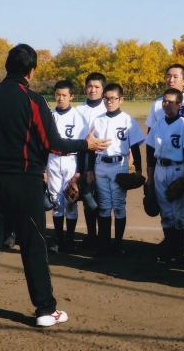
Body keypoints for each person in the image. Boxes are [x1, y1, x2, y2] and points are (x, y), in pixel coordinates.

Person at [0, 44, 110, 327]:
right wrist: (85, 144)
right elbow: (52, 143)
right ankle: (44, 309)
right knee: (33, 247)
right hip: (25, 182)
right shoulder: (33, 100)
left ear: (7, 66)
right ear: (30, 71)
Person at [145, 64, 184, 249]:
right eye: (168, 76)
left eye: (176, 76)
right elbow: (151, 141)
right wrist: (150, 176)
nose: (171, 79)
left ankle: (180, 242)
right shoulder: (157, 105)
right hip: (162, 164)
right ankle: (170, 242)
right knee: (165, 209)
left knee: (181, 206)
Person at [87, 83, 145, 257]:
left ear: (121, 99)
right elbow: (91, 147)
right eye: (106, 98)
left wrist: (138, 171)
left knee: (119, 206)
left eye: (113, 98)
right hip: (100, 165)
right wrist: (90, 170)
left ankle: (118, 245)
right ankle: (104, 245)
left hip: (119, 165)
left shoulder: (128, 120)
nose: (109, 102)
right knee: (104, 207)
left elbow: (135, 147)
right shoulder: (98, 120)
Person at [145, 88, 184, 262]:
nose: (166, 104)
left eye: (170, 102)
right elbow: (150, 152)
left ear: (179, 105)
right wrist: (150, 178)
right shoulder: (158, 125)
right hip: (160, 169)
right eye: (164, 101)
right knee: (166, 212)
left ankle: (178, 249)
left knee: (180, 214)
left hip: (178, 169)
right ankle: (170, 247)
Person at [46, 80, 88, 254]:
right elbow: (43, 144)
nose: (60, 98)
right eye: (57, 94)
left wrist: (78, 172)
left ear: (71, 96)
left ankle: (70, 239)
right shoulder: (49, 116)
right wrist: (43, 169)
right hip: (53, 160)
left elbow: (84, 147)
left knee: (71, 200)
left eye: (64, 95)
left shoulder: (78, 117)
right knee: (56, 201)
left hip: (71, 161)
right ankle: (58, 239)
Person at [74, 72, 108, 250]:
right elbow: (80, 141)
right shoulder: (79, 110)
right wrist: (82, 168)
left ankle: (104, 237)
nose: (92, 89)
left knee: (102, 199)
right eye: (89, 86)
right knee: (87, 197)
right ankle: (91, 235)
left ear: (103, 89)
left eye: (96, 86)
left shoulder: (107, 107)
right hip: (85, 156)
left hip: (103, 158)